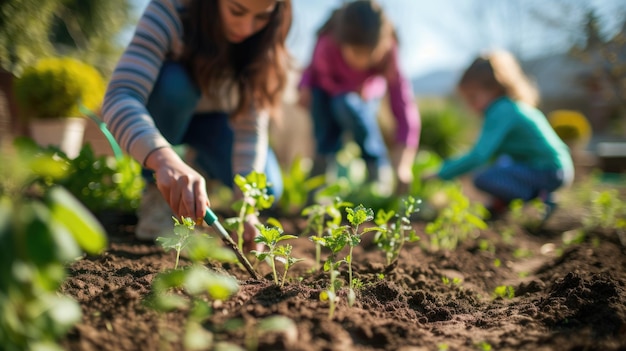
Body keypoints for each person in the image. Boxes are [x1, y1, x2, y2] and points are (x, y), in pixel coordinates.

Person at [102, 0, 292, 247]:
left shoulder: (263, 40)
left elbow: (249, 128)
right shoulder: (170, 10)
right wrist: (163, 161)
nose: (247, 28)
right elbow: (121, 95)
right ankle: (160, 192)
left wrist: (247, 206)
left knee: (267, 188)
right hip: (163, 113)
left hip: (213, 126)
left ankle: (197, 168)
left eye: (261, 17)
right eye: (237, 11)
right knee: (175, 85)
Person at [426, 50, 574, 219]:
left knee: (483, 178)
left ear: (495, 88)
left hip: (548, 171)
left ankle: (539, 201)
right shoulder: (511, 106)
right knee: (500, 165)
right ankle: (502, 206)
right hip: (556, 169)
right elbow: (490, 156)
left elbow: (479, 156)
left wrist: (441, 172)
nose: (471, 106)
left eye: (474, 97)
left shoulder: (500, 109)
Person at [298, 0, 421, 195]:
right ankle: (320, 180)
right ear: (341, 42)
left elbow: (404, 106)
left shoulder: (389, 52)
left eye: (370, 54)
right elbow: (312, 70)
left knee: (349, 108)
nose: (362, 61)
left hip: (362, 99)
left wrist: (403, 164)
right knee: (327, 131)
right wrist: (303, 86)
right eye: (356, 52)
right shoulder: (327, 43)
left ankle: (377, 173)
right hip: (324, 93)